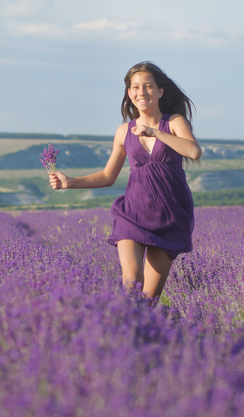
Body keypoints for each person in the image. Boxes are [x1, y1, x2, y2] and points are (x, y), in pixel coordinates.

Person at [48, 62, 201, 298]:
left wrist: (156, 133)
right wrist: (70, 182)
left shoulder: (173, 123)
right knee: (132, 284)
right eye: (136, 87)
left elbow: (193, 151)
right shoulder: (123, 131)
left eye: (148, 86)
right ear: (129, 93)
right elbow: (108, 176)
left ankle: (143, 333)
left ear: (160, 91)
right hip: (133, 214)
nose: (142, 92)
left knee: (149, 300)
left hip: (170, 216)